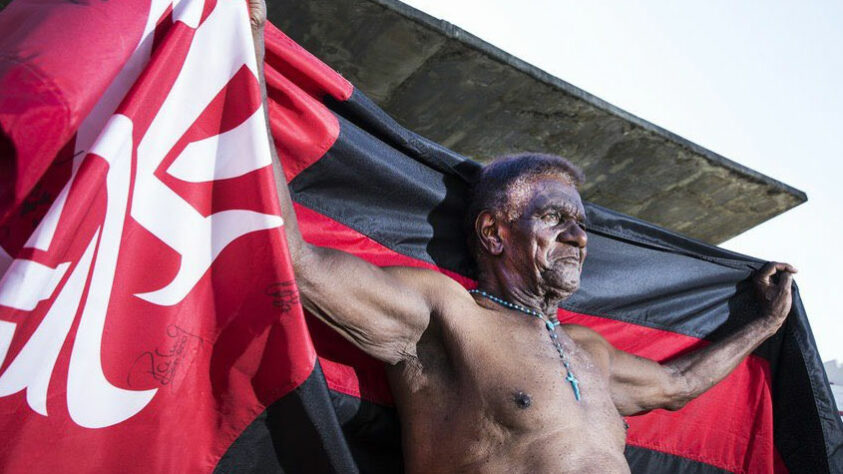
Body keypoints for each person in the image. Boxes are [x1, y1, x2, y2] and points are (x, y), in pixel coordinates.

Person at [249, 2, 797, 472]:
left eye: (581, 225)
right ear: (494, 232)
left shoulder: (590, 351)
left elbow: (678, 385)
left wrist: (765, 323)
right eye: (556, 218)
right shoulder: (447, 314)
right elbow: (296, 263)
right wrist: (249, 50)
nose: (579, 238)